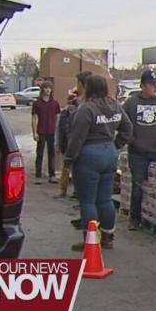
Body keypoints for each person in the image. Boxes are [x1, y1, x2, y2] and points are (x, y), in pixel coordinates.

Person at [64, 75, 132, 251]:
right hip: (109, 154)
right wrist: (115, 145)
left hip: (88, 155)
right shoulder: (114, 105)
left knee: (87, 201)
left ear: (88, 88)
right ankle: (108, 236)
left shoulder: (86, 109)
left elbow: (77, 137)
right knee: (104, 199)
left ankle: (91, 240)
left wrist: (69, 159)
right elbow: (128, 128)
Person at [122, 70, 156, 231]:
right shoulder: (131, 103)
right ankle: (135, 218)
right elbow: (123, 124)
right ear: (143, 86)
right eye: (152, 84)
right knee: (138, 187)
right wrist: (130, 140)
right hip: (137, 153)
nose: (155, 87)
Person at [69, 71, 92, 230]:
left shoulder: (86, 105)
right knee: (84, 193)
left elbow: (78, 133)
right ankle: (84, 218)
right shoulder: (80, 102)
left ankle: (89, 225)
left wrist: (69, 156)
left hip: (85, 151)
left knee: (88, 194)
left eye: (78, 84)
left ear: (83, 85)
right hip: (95, 151)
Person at [31, 81, 61, 184]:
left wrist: (57, 130)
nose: (48, 90)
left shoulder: (55, 103)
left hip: (51, 132)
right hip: (41, 131)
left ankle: (52, 175)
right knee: (39, 153)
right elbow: (34, 118)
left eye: (49, 88)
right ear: (42, 89)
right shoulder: (37, 103)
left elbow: (57, 117)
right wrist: (34, 132)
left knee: (51, 153)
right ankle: (38, 176)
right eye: (46, 88)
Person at [56, 93, 78, 198]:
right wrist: (58, 145)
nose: (71, 105)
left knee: (76, 169)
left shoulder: (80, 114)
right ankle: (63, 190)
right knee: (65, 168)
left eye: (73, 103)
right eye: (69, 103)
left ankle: (76, 191)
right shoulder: (64, 114)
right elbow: (60, 130)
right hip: (66, 145)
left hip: (76, 146)